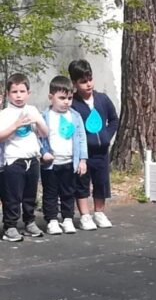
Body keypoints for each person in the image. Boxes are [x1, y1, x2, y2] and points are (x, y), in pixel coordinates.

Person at [68, 59, 119, 230]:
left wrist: (106, 136)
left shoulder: (102, 99)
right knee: (82, 183)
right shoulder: (73, 103)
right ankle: (85, 215)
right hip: (83, 154)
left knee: (101, 182)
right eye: (83, 81)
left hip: (101, 152)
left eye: (90, 79)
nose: (88, 84)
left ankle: (99, 212)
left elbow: (114, 120)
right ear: (75, 83)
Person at [0, 73, 49, 242]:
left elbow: (44, 133)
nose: (19, 96)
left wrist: (38, 121)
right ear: (8, 94)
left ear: (29, 93)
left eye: (22, 91)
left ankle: (29, 222)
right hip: (14, 160)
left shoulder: (32, 110)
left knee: (30, 196)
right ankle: (10, 226)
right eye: (14, 92)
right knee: (12, 197)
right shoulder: (5, 114)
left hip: (32, 160)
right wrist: (15, 125)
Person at [39, 76, 89, 235]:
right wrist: (43, 153)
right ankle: (52, 220)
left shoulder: (75, 116)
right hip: (51, 165)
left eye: (69, 98)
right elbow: (38, 138)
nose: (66, 102)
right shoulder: (44, 116)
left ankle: (67, 219)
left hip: (69, 163)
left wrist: (82, 160)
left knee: (68, 192)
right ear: (51, 97)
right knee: (50, 193)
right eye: (62, 98)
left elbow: (81, 138)